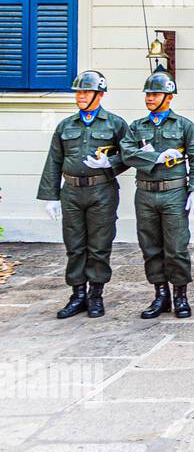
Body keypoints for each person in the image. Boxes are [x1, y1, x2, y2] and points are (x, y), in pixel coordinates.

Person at [37, 70, 129, 319]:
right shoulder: (66, 125)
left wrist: (110, 164)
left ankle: (95, 295)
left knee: (99, 246)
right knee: (75, 245)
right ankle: (77, 295)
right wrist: (50, 196)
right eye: (78, 91)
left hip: (102, 190)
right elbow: (54, 161)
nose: (80, 96)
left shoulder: (115, 124)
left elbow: (129, 156)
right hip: (72, 191)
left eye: (86, 91)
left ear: (99, 95)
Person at [120, 71, 194, 319]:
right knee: (150, 246)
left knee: (177, 246)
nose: (149, 98)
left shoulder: (183, 126)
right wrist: (155, 157)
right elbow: (127, 153)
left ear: (168, 97)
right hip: (146, 193)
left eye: (155, 94)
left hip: (173, 193)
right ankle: (160, 294)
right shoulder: (137, 126)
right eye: (148, 94)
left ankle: (180, 295)